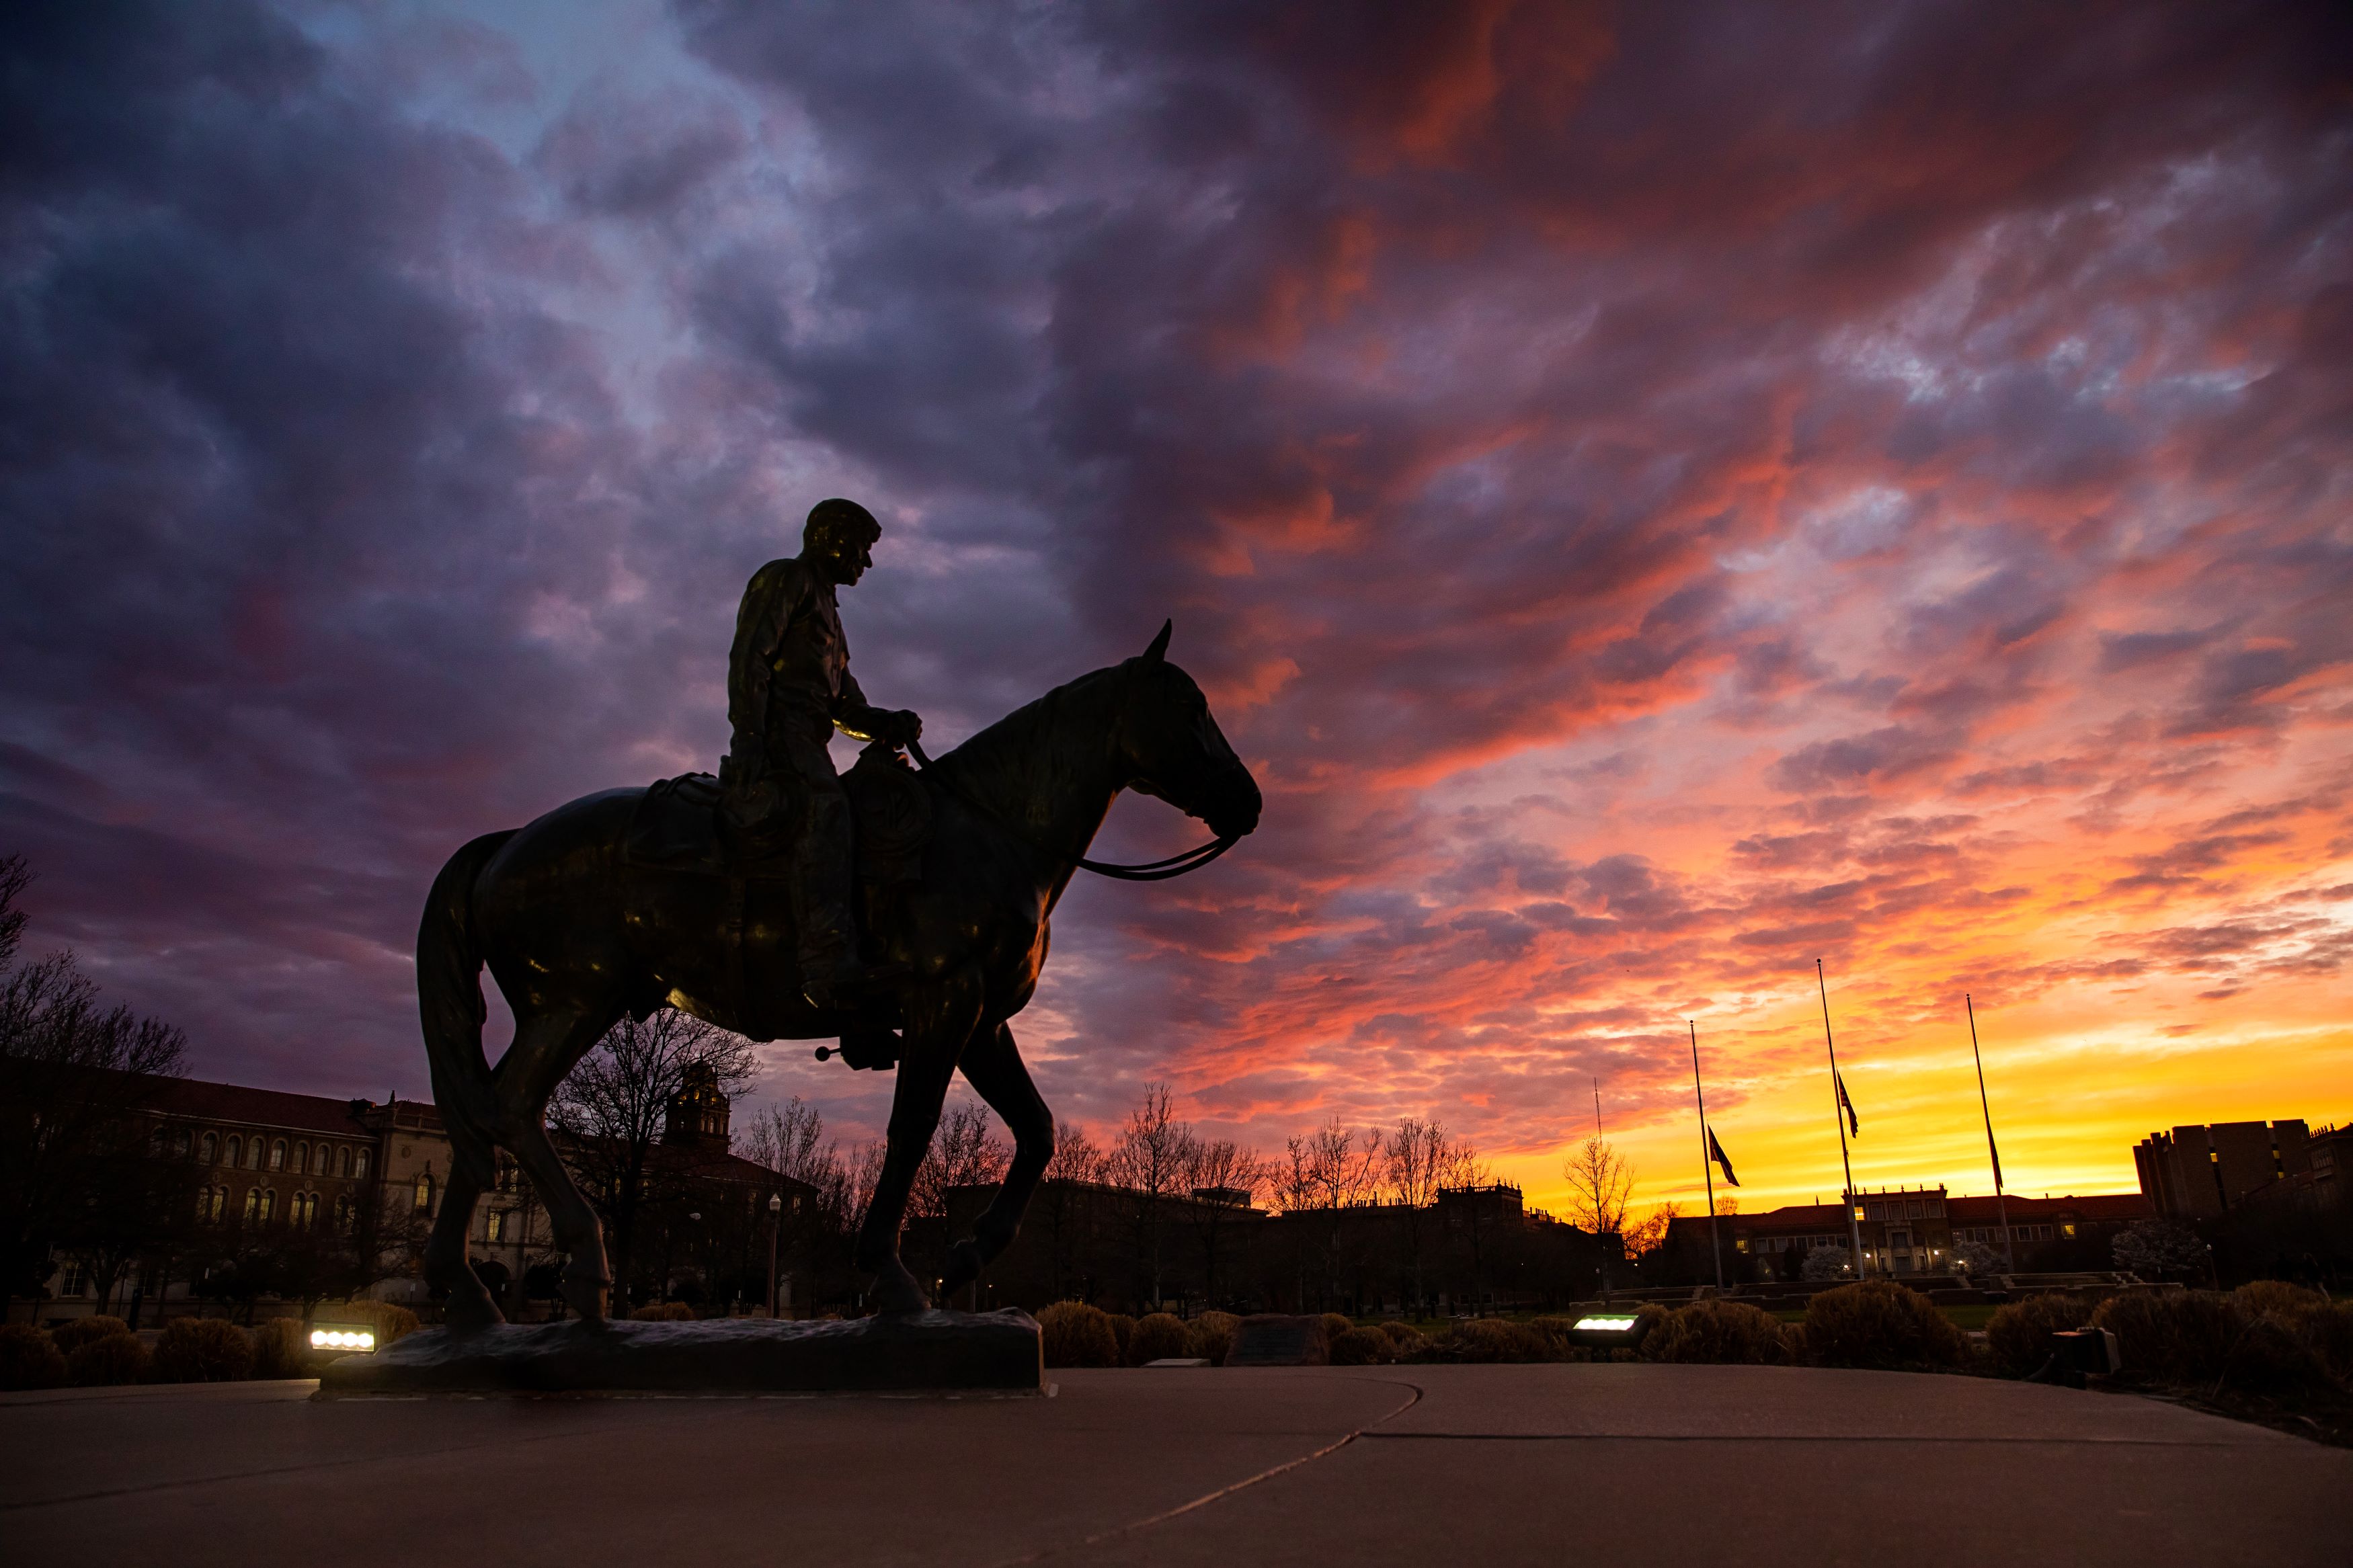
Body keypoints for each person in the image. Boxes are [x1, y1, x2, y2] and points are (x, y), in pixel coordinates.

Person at [720, 497, 922, 1008]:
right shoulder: (787, 579)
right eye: (861, 547)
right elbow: (751, 658)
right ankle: (824, 963)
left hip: (810, 738)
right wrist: (747, 737)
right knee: (825, 808)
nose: (866, 562)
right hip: (779, 732)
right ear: (829, 536)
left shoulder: (832, 614)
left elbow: (844, 706)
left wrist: (885, 722)